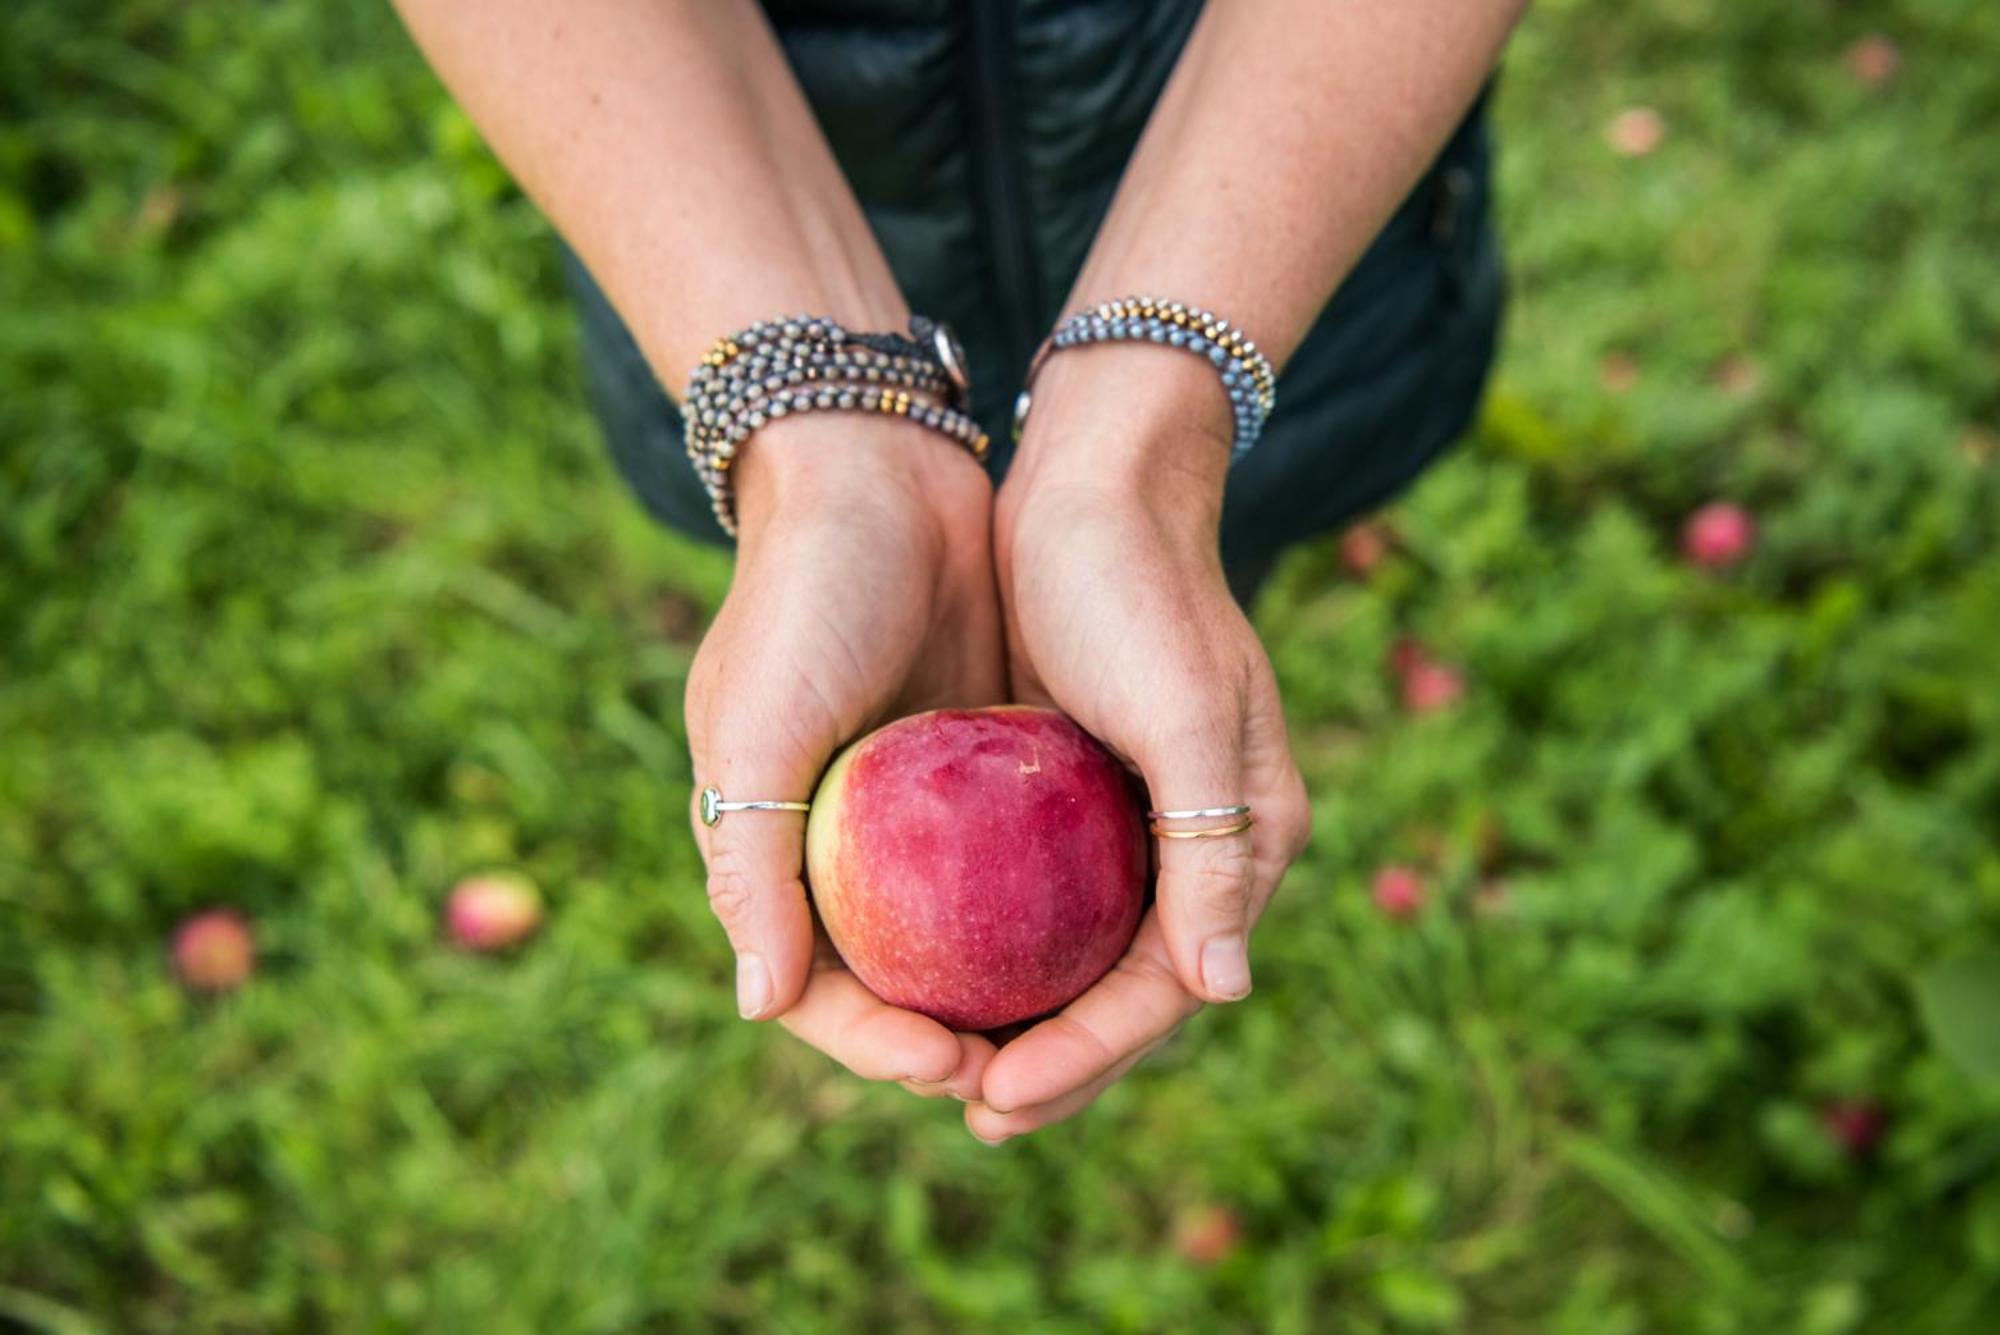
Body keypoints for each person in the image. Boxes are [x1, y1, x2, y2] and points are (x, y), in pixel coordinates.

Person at [393, 0, 1524, 1142]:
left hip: (1292, 198)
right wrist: (827, 474)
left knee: (1175, 616)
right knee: (1153, 646)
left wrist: (1138, 449)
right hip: (691, 202)